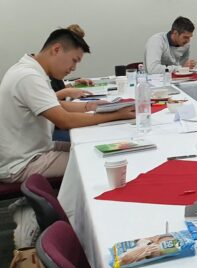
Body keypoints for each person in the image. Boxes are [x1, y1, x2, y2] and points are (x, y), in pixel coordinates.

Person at [0, 29, 135, 183]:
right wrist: (116, 115)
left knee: (96, 147)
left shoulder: (32, 70)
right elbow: (65, 120)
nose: (74, 68)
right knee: (99, 160)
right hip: (22, 163)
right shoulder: (28, 76)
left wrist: (91, 106)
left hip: (35, 149)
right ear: (56, 49)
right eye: (74, 60)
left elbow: (56, 105)